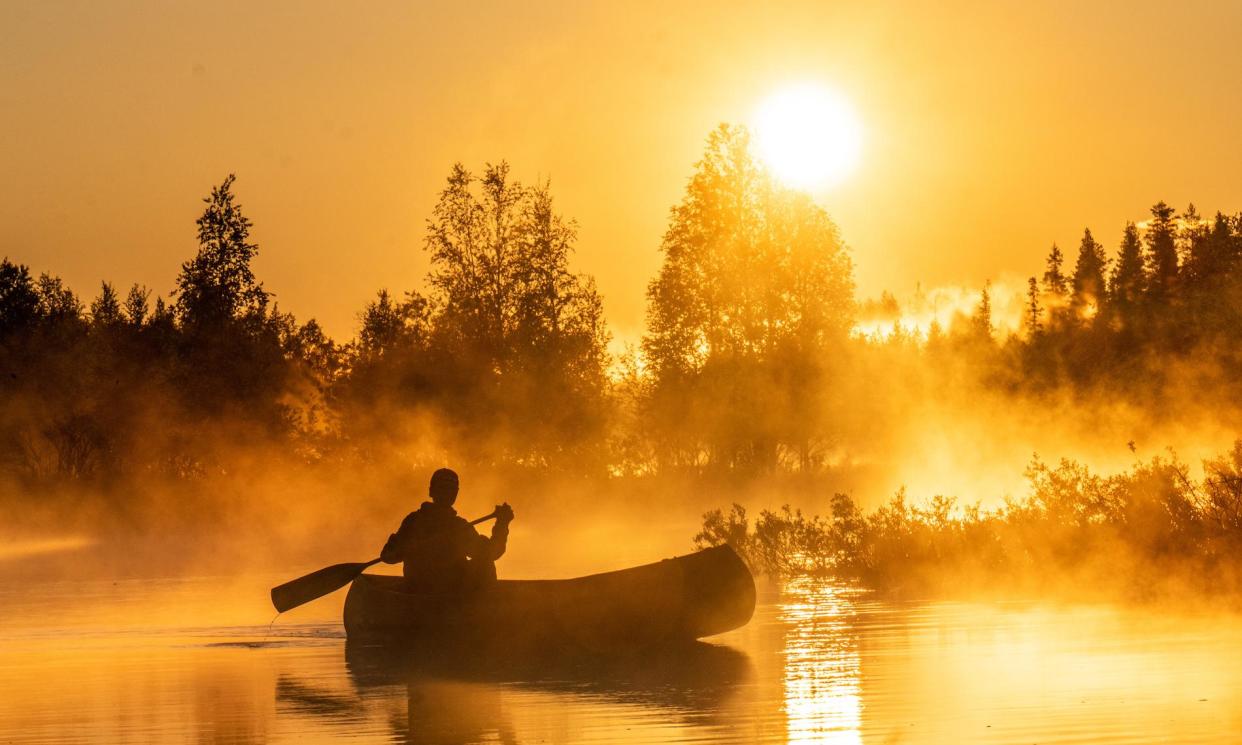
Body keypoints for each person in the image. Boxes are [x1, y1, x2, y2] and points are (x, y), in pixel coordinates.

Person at [380, 468, 514, 593]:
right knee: (485, 561)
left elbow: (388, 556)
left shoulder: (414, 520)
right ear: (432, 491)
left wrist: (502, 524)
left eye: (451, 489)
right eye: (444, 488)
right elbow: (492, 552)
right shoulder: (456, 526)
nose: (448, 493)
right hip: (448, 590)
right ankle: (485, 608)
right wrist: (502, 524)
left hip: (419, 588)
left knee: (484, 558)